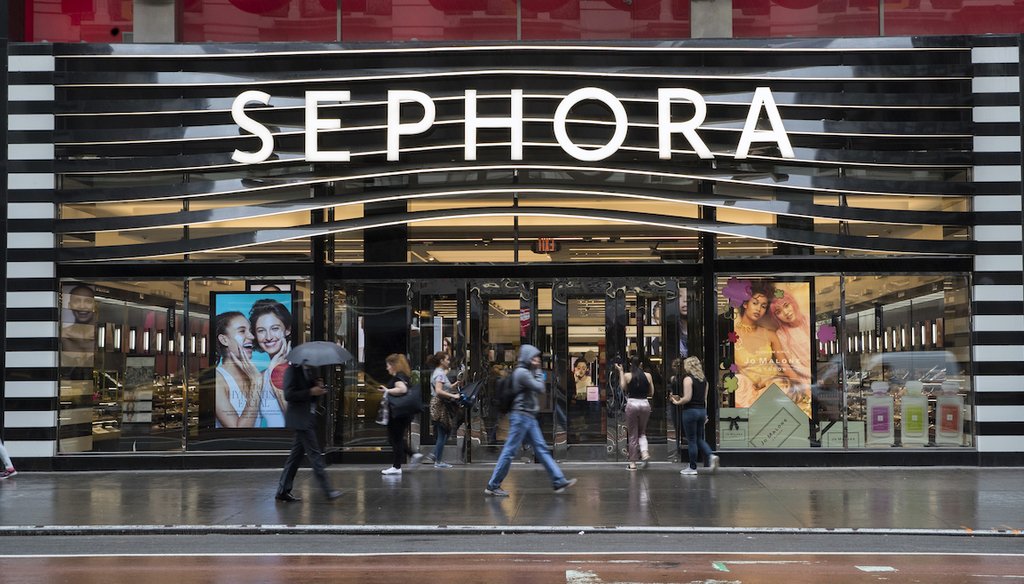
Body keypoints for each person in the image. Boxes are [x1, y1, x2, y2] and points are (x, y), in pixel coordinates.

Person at [484, 344, 577, 497]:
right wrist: (539, 371)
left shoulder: (525, 371)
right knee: (509, 451)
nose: (537, 359)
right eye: (534, 357)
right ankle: (493, 485)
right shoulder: (522, 373)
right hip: (521, 417)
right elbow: (540, 387)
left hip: (528, 417)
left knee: (541, 448)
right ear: (527, 357)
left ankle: (558, 480)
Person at [275, 363, 341, 502]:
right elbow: (288, 394)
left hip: (308, 418)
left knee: (295, 457)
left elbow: (311, 397)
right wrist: (311, 391)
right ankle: (328, 490)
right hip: (300, 419)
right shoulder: (292, 371)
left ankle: (282, 490)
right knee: (315, 454)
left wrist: (319, 389)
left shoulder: (311, 371)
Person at [733, 287, 800, 409]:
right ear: (745, 304)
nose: (759, 309)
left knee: (780, 389)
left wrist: (806, 386)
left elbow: (785, 366)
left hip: (772, 385)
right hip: (746, 390)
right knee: (738, 382)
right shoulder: (733, 334)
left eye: (763, 306)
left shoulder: (769, 334)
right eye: (755, 303)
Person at [670, 356, 719, 476]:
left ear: (689, 366)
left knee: (691, 440)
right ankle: (711, 455)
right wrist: (705, 413)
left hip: (690, 411)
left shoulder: (688, 379)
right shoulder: (704, 381)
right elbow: (705, 399)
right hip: (701, 411)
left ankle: (692, 467)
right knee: (699, 438)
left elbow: (687, 398)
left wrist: (677, 402)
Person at [214, 311, 263, 428]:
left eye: (250, 331)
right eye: (242, 331)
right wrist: (257, 383)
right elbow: (239, 430)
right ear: (224, 340)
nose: (251, 336)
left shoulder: (253, 376)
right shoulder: (217, 379)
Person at [769, 289, 813, 417]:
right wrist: (807, 386)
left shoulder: (809, 320)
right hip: (804, 381)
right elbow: (789, 366)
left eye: (786, 305)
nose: (786, 313)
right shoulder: (781, 335)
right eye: (778, 312)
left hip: (821, 375)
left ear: (792, 303)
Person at [249, 298, 292, 427]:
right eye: (261, 330)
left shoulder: (300, 366)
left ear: (287, 330)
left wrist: (276, 372)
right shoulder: (261, 377)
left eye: (275, 328)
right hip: (272, 443)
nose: (268, 337)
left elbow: (296, 418)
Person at [379, 354, 423, 475]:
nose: (387, 368)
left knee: (395, 439)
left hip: (398, 414)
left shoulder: (399, 377)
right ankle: (412, 454)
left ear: (394, 365)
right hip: (403, 413)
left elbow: (402, 389)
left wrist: (387, 390)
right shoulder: (404, 376)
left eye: (388, 365)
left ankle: (397, 466)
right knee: (395, 438)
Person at [616, 356, 653, 471]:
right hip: (645, 404)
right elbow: (652, 392)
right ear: (641, 364)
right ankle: (645, 452)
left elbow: (622, 387)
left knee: (632, 434)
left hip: (632, 404)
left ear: (631, 364)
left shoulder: (628, 375)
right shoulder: (648, 376)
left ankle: (632, 463)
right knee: (642, 432)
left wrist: (621, 371)